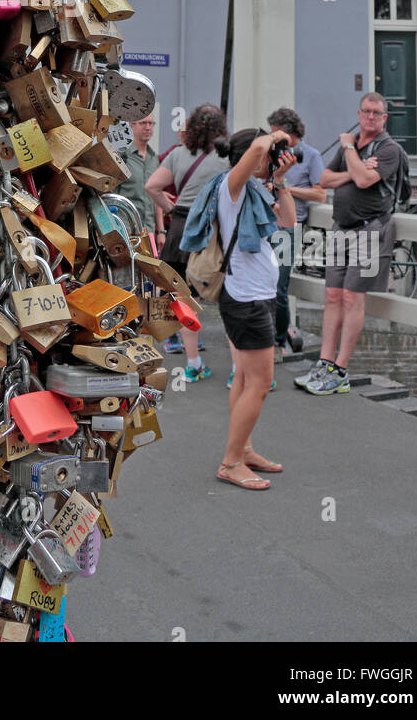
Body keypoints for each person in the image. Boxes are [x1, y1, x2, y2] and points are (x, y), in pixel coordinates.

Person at [181, 128, 297, 490]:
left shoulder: (255, 190)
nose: (273, 155)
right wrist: (275, 136)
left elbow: (289, 224)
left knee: (247, 379)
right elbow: (259, 146)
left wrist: (281, 179)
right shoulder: (231, 187)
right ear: (252, 156)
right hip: (245, 300)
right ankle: (230, 462)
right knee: (261, 384)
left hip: (257, 295)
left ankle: (242, 449)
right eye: (269, 154)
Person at [297, 92, 402, 397]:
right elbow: (325, 179)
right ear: (359, 114)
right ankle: (325, 362)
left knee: (353, 298)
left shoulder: (389, 149)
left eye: (376, 113)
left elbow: (367, 181)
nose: (370, 117)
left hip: (370, 231)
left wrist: (348, 149)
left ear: (384, 119)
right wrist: (354, 166)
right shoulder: (353, 146)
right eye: (366, 111)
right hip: (341, 228)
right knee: (332, 294)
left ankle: (340, 370)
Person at [145, 103, 229, 377]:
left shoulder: (178, 154)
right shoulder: (228, 158)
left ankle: (193, 365)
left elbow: (152, 187)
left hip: (180, 230)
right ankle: (238, 369)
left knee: (184, 299)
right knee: (227, 298)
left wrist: (172, 210)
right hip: (213, 231)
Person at [265, 106, 326, 358]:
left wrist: (285, 186)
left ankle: (278, 340)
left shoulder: (310, 155)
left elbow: (320, 194)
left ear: (287, 133)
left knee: (279, 286)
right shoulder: (272, 154)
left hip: (289, 227)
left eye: (275, 133)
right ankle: (269, 335)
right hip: (266, 223)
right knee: (264, 284)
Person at [119, 115, 165, 240]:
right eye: (143, 123)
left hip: (148, 231)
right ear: (131, 125)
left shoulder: (154, 158)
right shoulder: (122, 157)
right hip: (125, 230)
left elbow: (157, 196)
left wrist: (161, 231)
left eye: (151, 123)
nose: (148, 127)